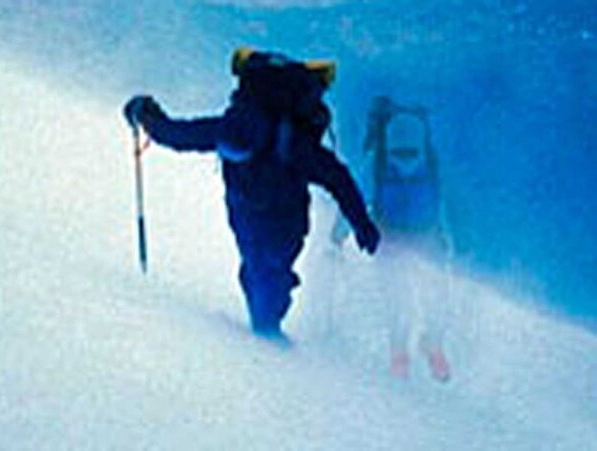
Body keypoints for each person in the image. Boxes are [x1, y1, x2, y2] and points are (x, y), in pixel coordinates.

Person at [123, 48, 380, 342]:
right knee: (268, 273)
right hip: (285, 222)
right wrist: (361, 224)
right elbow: (337, 178)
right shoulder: (292, 143)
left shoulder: (233, 129)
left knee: (259, 272)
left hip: (246, 214)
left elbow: (178, 135)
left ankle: (265, 334)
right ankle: (266, 334)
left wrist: (146, 114)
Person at [331, 95, 451, 381]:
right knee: (399, 295)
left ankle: (429, 344)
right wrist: (340, 232)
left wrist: (339, 233)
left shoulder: (390, 162)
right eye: (400, 153)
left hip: (418, 236)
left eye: (410, 154)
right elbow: (356, 198)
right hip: (396, 237)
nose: (405, 162)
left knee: (433, 294)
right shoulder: (383, 163)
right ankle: (402, 349)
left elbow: (446, 201)